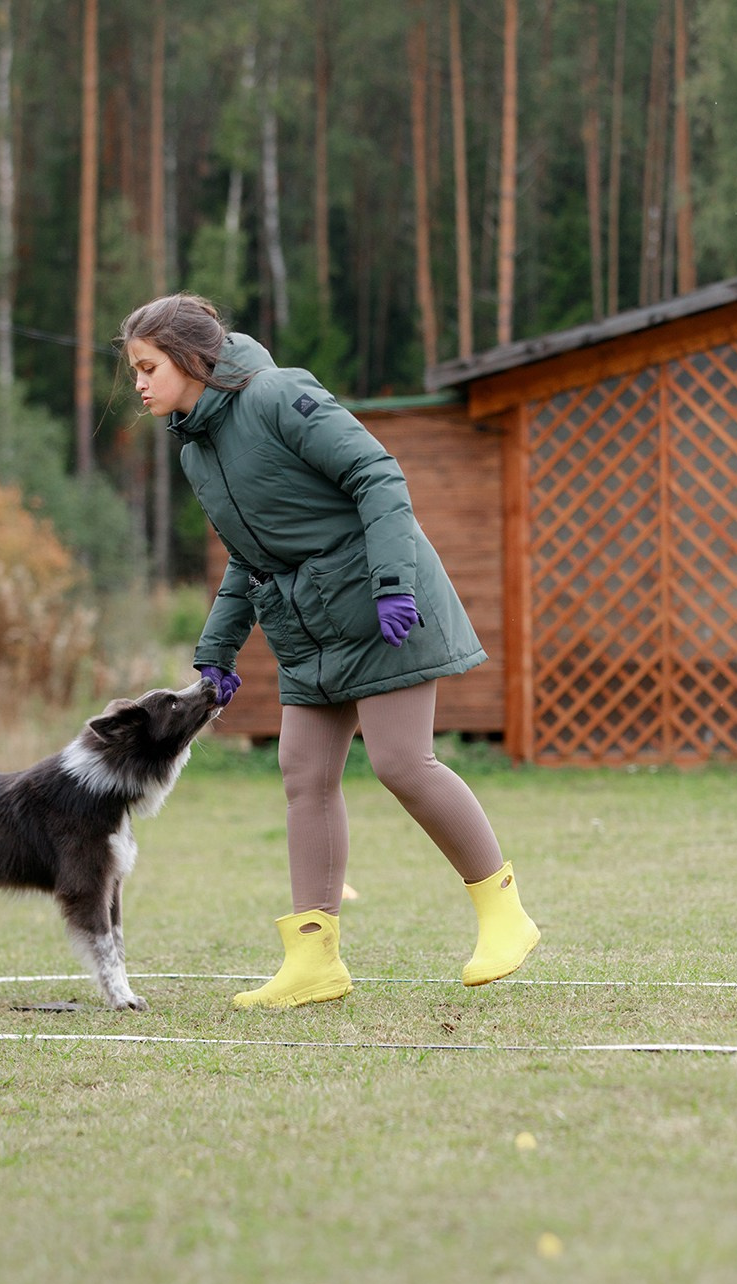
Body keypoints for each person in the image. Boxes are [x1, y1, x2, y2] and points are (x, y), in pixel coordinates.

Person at [118, 293, 539, 1009]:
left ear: (191, 360)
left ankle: (507, 916)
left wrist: (391, 583)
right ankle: (314, 959)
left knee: (402, 762)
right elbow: (247, 555)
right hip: (310, 630)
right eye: (134, 369)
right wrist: (216, 649)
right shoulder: (198, 448)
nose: (138, 383)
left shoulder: (280, 395)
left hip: (383, 608)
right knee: (303, 774)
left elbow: (377, 476)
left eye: (147, 366)